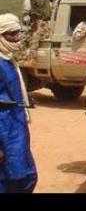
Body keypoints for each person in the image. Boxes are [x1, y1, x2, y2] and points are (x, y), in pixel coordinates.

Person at [0, 14, 37, 193]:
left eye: (18, 33)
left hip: (16, 124)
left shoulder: (8, 59)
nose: (17, 38)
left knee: (26, 176)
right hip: (4, 129)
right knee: (9, 179)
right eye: (11, 34)